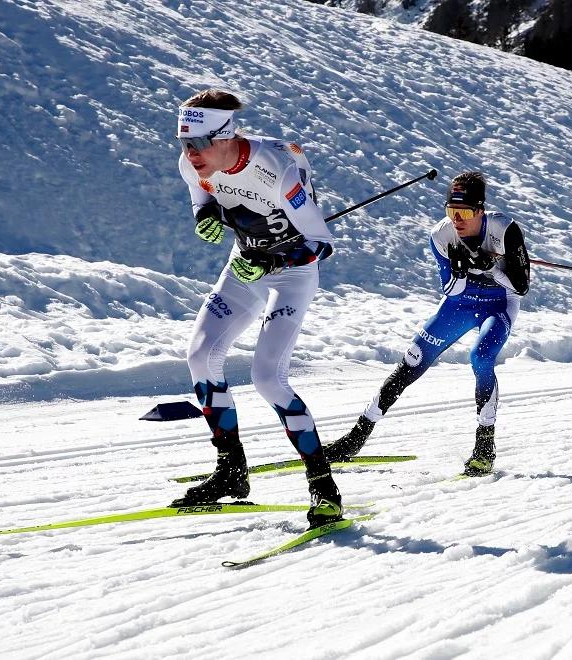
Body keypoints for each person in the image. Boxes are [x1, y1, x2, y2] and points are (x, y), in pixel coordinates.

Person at [172, 88, 342, 529]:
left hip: (291, 274)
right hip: (244, 263)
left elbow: (321, 246)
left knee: (267, 378)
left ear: (227, 135)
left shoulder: (278, 171)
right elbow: (202, 196)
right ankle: (231, 472)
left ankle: (324, 488)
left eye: (200, 144)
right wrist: (204, 215)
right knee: (200, 356)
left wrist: (271, 260)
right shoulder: (194, 164)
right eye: (184, 144)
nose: (191, 155)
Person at [324, 171, 531, 475]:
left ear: (480, 211)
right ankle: (355, 439)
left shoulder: (504, 228)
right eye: (451, 211)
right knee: (412, 361)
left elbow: (521, 286)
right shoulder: (441, 235)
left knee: (481, 357)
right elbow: (450, 289)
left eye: (463, 212)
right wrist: (461, 270)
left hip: (499, 303)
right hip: (460, 303)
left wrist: (491, 268)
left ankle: (485, 447)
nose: (456, 220)